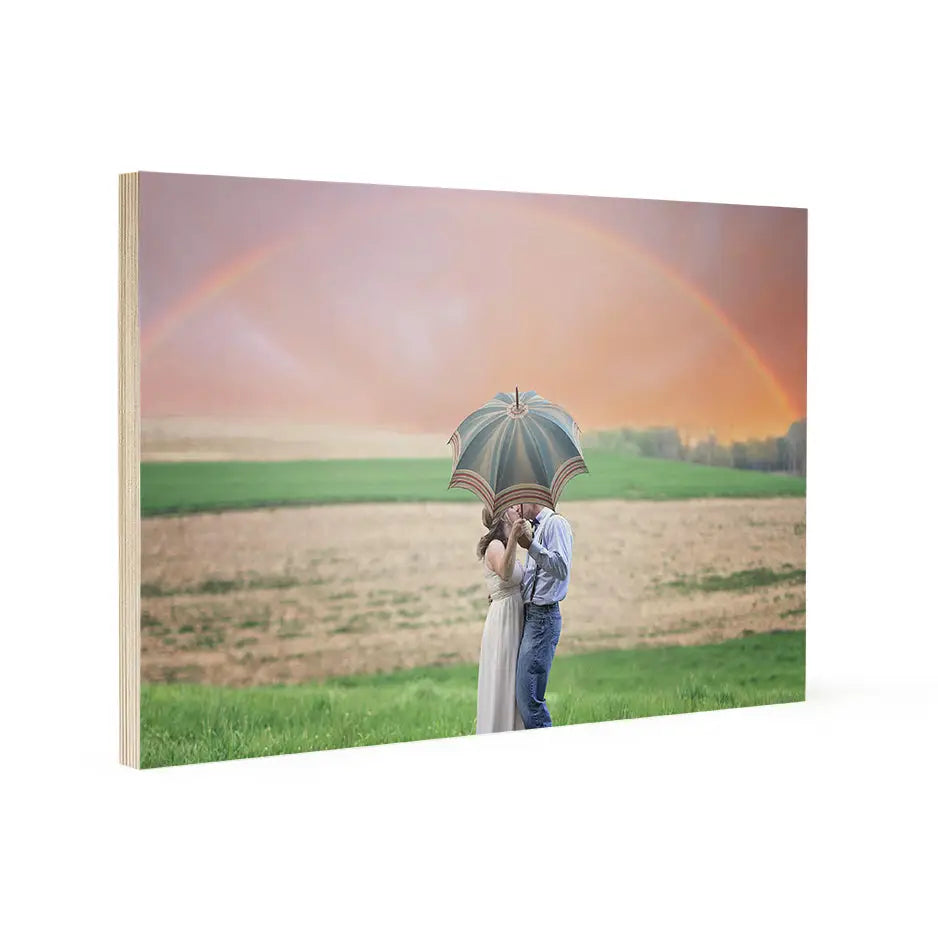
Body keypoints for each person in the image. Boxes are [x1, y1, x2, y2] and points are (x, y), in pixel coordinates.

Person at [514, 503, 574, 728]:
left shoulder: (555, 524)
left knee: (529, 699)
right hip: (532, 616)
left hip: (543, 618)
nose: (515, 508)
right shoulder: (536, 528)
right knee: (525, 697)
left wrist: (530, 546)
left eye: (518, 501)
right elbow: (533, 579)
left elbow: (560, 568)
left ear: (532, 498)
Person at [475, 505, 527, 733]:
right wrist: (515, 538)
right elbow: (505, 573)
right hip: (504, 621)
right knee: (503, 680)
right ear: (503, 515)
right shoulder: (496, 546)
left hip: (513, 615)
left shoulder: (506, 546)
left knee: (515, 682)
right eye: (512, 507)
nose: (518, 507)